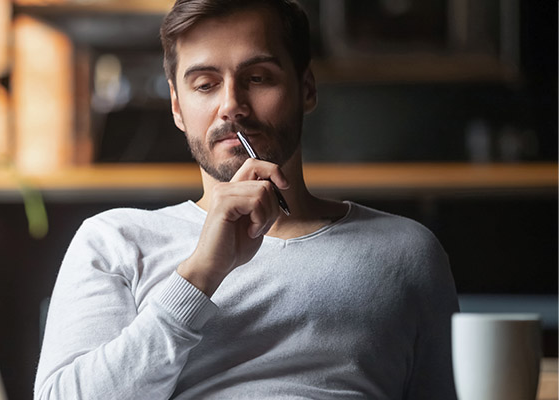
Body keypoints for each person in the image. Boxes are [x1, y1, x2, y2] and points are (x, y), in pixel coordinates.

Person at [34, 0, 459, 398]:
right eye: (205, 84)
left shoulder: (406, 251)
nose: (232, 106)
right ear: (178, 107)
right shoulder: (115, 241)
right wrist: (198, 276)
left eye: (258, 78)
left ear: (306, 89)